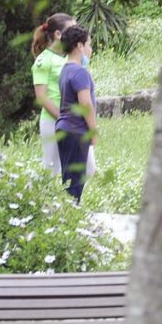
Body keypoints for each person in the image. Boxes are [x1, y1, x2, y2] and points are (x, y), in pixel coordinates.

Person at [31, 13, 96, 178]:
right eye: (70, 29)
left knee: (88, 167)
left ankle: (73, 202)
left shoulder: (70, 59)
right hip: (53, 121)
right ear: (58, 34)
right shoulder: (43, 61)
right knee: (52, 169)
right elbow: (42, 96)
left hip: (73, 122)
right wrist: (63, 118)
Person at [55, 24, 97, 203]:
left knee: (69, 177)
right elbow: (85, 104)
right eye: (88, 44)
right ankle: (70, 218)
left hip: (64, 128)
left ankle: (68, 216)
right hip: (76, 130)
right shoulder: (80, 72)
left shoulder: (65, 70)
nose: (90, 49)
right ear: (79, 46)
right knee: (74, 182)